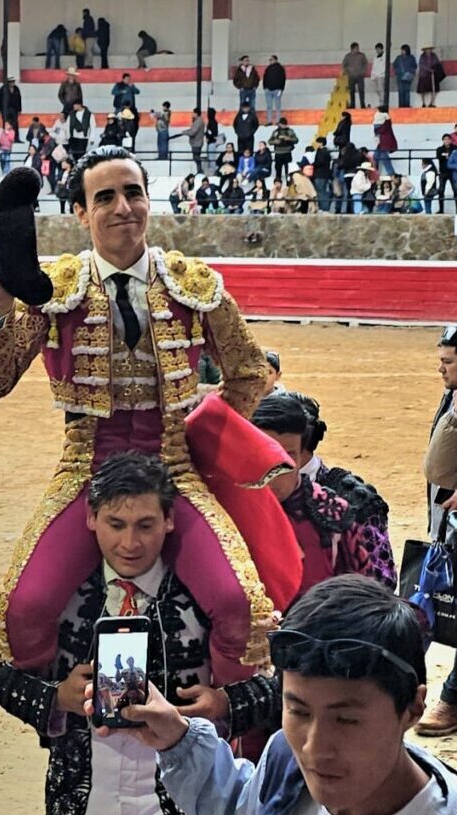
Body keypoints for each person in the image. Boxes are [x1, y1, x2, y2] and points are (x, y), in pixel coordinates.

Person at [0, 145, 275, 690]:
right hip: (85, 472)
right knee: (23, 611)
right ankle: (61, 727)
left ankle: (222, 730)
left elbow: (250, 371)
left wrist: (206, 436)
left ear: (149, 201)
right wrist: (1, 302)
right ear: (82, 213)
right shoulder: (52, 288)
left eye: (133, 192)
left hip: (174, 471)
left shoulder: (192, 284)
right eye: (104, 197)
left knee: (241, 604)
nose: (122, 207)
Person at [0, 453, 214, 815]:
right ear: (90, 517)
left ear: (169, 521)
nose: (130, 543)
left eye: (145, 525)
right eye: (116, 524)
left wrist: (224, 705)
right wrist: (55, 697)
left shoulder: (204, 596)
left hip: (181, 800)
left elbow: (276, 686)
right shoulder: (58, 593)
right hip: (81, 795)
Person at [95, 574, 456, 815]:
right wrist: (177, 739)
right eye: (298, 712)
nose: (314, 748)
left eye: (346, 719)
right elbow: (247, 807)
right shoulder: (285, 758)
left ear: (411, 708)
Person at [249, 393, 395, 594]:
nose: (273, 472)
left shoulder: (346, 508)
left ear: (303, 453)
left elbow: (378, 589)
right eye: (262, 455)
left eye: (286, 457)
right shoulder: (225, 503)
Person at [415, 325, 457, 736]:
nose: (440, 369)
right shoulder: (453, 394)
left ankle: (453, 698)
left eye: (447, 362)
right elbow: (439, 469)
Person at [342, 42, 369, 108]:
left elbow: (365, 64)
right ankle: (352, 105)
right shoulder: (347, 56)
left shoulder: (361, 55)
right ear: (352, 49)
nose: (358, 49)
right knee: (351, 91)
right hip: (351, 77)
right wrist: (347, 73)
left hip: (360, 76)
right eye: (356, 48)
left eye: (358, 48)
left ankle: (362, 104)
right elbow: (344, 65)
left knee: (361, 90)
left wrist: (362, 72)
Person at [0, 77, 22, 143]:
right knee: (6, 123)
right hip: (5, 109)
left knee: (15, 124)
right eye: (11, 82)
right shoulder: (3, 89)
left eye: (13, 82)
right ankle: (5, 139)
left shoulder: (16, 89)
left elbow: (19, 99)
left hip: (14, 109)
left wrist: (19, 109)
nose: (12, 83)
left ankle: (16, 138)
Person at [262, 55, 286, 125]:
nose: (270, 61)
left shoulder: (280, 68)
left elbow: (283, 79)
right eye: (269, 60)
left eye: (271, 59)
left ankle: (278, 121)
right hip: (268, 90)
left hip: (277, 90)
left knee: (277, 106)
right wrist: (265, 87)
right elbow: (265, 78)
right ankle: (269, 121)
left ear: (275, 60)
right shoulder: (268, 69)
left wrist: (281, 89)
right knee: (269, 106)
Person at [394, 44, 417, 108]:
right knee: (401, 92)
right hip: (400, 77)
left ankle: (406, 105)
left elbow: (414, 66)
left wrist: (410, 73)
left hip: (408, 77)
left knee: (407, 91)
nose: (401, 51)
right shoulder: (398, 58)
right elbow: (394, 65)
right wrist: (397, 72)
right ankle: (401, 106)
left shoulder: (411, 57)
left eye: (403, 50)